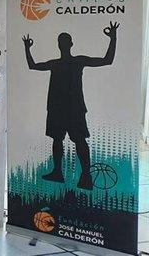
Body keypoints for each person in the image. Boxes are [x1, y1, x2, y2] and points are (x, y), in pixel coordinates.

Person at [22, 21, 119, 190]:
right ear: (61, 45)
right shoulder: (59, 63)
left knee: (76, 141)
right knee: (59, 140)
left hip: (72, 109)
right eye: (61, 41)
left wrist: (113, 37)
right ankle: (60, 173)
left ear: (68, 44)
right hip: (59, 109)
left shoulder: (74, 61)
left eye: (64, 41)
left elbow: (107, 60)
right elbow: (33, 66)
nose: (63, 44)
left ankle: (84, 175)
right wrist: (27, 48)